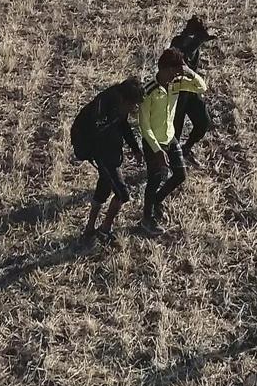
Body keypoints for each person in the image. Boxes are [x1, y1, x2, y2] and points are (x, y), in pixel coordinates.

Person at [139, 47, 207, 234]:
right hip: (154, 143)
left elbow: (202, 87)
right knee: (155, 180)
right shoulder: (148, 91)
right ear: (163, 69)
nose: (175, 76)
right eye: (173, 72)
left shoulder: (176, 84)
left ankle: (156, 202)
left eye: (178, 72)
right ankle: (147, 218)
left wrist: (189, 72)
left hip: (171, 138)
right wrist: (156, 149)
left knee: (180, 175)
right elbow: (144, 126)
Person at [70, 78, 145, 244]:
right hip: (99, 152)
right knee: (122, 194)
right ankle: (105, 230)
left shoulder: (120, 104)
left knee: (104, 187)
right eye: (133, 105)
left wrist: (135, 149)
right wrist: (107, 160)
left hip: (109, 152)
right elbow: (96, 132)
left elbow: (123, 125)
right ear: (125, 100)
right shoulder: (104, 107)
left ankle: (89, 228)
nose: (134, 109)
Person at [169, 16, 217, 167]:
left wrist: (199, 41)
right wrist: (199, 41)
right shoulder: (177, 42)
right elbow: (183, 61)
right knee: (175, 130)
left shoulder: (194, 44)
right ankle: (173, 161)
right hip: (177, 92)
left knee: (203, 122)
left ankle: (186, 149)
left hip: (190, 90)